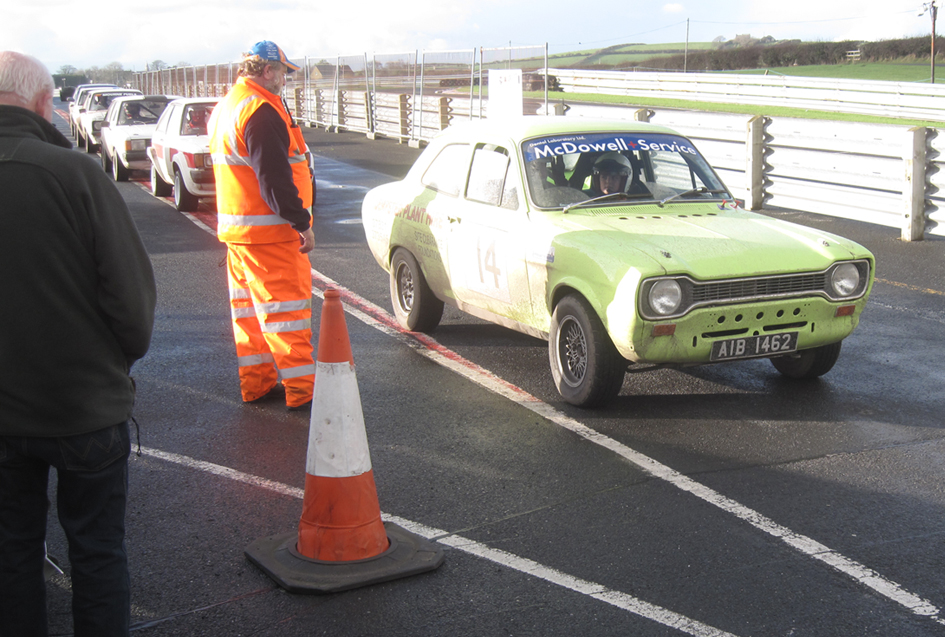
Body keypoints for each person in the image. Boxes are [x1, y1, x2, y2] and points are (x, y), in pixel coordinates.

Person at [0, 51, 156, 637]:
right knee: (96, 551)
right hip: (83, 406)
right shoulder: (75, 174)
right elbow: (131, 301)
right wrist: (115, 365)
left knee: (11, 551)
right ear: (44, 102)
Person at [207, 40, 315, 411]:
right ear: (267, 70)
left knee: (250, 317)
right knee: (286, 314)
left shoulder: (228, 105)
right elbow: (274, 180)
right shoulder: (261, 111)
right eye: (283, 72)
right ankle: (303, 391)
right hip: (270, 235)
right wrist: (301, 222)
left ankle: (256, 384)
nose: (285, 79)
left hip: (240, 234)